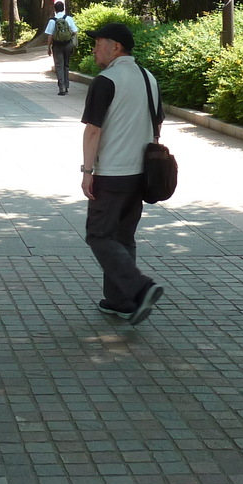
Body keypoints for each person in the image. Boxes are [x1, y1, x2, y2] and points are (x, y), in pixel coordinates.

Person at [78, 21, 166, 326]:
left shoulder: (106, 80)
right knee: (123, 236)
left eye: (99, 42)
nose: (94, 48)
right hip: (141, 173)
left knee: (99, 235)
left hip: (112, 172)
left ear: (116, 47)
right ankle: (121, 301)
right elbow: (157, 126)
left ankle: (140, 288)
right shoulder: (148, 77)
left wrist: (87, 170)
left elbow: (93, 130)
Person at [44, 1, 78, 95]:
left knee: (59, 66)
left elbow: (50, 36)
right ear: (63, 8)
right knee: (66, 65)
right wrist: (68, 35)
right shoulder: (69, 19)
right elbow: (75, 31)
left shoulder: (52, 21)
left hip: (57, 45)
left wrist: (49, 47)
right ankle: (67, 86)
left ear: (55, 9)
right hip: (68, 44)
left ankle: (61, 88)